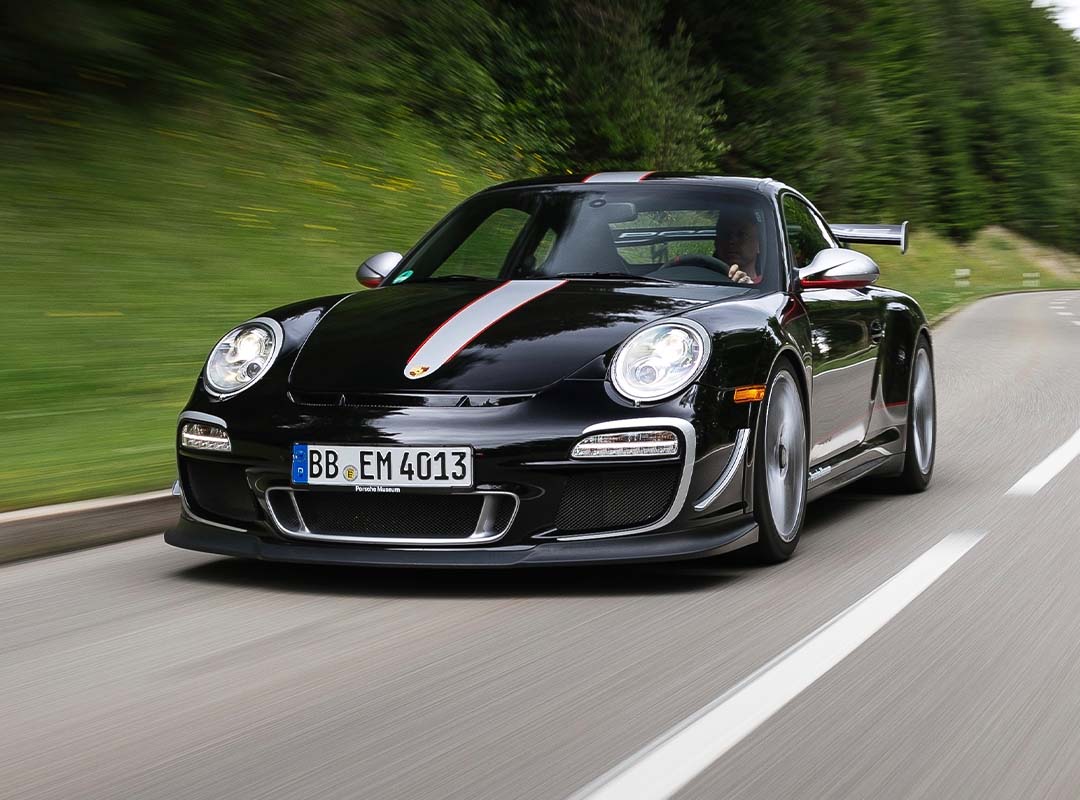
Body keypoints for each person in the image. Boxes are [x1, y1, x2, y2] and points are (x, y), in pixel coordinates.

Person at [714, 210, 762, 284]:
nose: (731, 240)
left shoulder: (770, 288)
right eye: (725, 234)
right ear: (716, 242)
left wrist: (749, 286)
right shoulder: (701, 282)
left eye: (742, 234)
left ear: (758, 244)